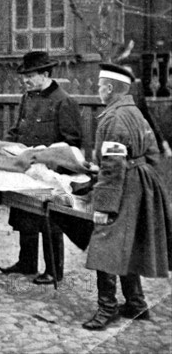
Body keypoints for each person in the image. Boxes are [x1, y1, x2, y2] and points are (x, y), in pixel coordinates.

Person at [82, 63, 172, 330]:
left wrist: (105, 206)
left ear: (109, 89)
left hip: (123, 185)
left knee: (106, 244)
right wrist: (148, 186)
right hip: (143, 183)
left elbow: (112, 166)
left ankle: (107, 308)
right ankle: (136, 302)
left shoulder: (113, 118)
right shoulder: (135, 113)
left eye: (100, 87)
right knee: (130, 243)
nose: (98, 91)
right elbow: (153, 152)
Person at [0, 51, 83, 285]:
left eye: (29, 75)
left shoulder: (64, 101)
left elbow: (72, 144)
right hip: (26, 168)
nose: (24, 80)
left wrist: (59, 176)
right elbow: (18, 129)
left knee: (50, 222)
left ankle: (54, 270)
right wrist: (7, 145)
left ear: (45, 74)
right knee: (24, 214)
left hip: (50, 174)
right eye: (23, 76)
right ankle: (27, 262)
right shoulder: (27, 97)